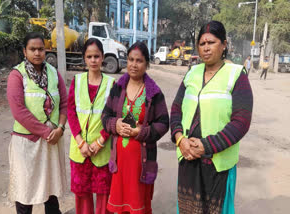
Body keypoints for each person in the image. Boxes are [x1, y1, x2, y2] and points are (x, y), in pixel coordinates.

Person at [170, 21, 253, 214]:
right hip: (188, 158)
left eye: (212, 42)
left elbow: (241, 122)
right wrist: (179, 139)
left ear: (224, 45)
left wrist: (206, 146)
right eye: (202, 43)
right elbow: (176, 109)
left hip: (217, 165)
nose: (206, 48)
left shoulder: (236, 75)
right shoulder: (192, 73)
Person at [102, 41, 169, 214]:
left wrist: (142, 131)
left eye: (139, 60)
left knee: (138, 205)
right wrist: (114, 124)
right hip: (120, 161)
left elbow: (163, 123)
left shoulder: (154, 93)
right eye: (130, 59)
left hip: (141, 163)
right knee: (120, 206)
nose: (133, 64)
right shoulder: (118, 88)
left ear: (146, 64)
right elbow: (105, 116)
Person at [7, 32, 67, 214]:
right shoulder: (17, 75)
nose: (37, 53)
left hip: (52, 142)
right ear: (25, 52)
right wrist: (47, 132)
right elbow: (19, 111)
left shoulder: (54, 73)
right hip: (27, 144)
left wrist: (61, 128)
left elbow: (64, 103)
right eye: (32, 49)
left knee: (51, 188)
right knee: (26, 190)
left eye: (41, 49)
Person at [67, 38, 115, 214]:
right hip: (80, 150)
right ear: (84, 59)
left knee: (104, 194)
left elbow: (113, 117)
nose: (93, 60)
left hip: (100, 150)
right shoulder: (77, 81)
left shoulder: (111, 84)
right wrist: (80, 142)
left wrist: (100, 141)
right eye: (89, 56)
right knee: (82, 195)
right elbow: (71, 112)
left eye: (97, 56)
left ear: (103, 57)